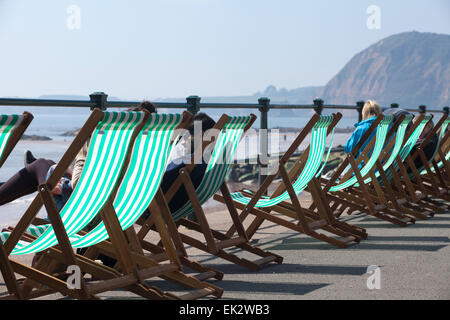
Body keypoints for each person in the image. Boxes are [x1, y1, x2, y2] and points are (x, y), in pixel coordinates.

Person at [0, 101, 156, 210]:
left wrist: (81, 153)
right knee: (47, 164)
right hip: (114, 212)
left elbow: (79, 185)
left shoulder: (119, 154)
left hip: (89, 210)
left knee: (39, 165)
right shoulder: (148, 153)